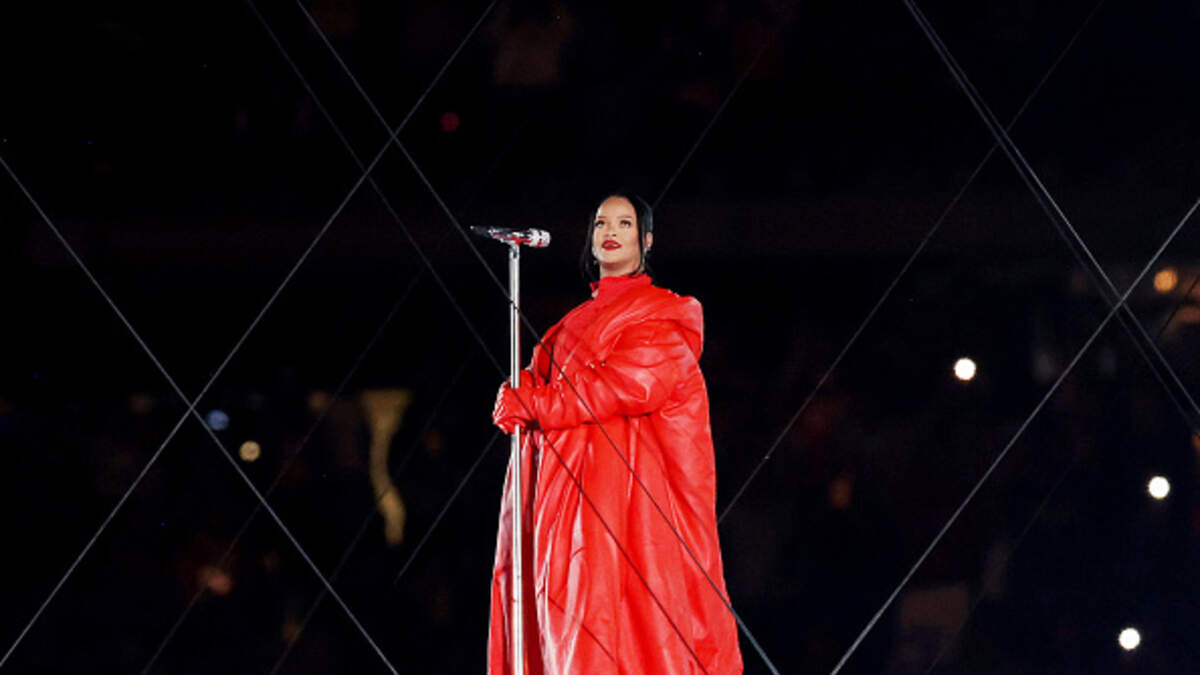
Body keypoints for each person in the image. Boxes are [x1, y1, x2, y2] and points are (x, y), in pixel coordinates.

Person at [488, 193, 744, 673]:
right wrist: (520, 396)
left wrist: (535, 403)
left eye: (624, 223)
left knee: (618, 630)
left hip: (625, 510)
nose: (610, 231)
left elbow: (630, 384)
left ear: (646, 240)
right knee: (560, 626)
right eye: (602, 223)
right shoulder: (565, 328)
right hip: (560, 505)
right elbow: (543, 388)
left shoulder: (663, 316)